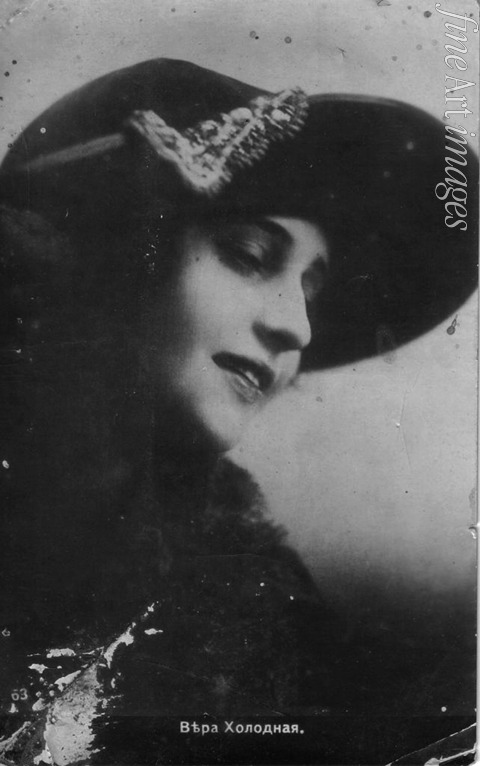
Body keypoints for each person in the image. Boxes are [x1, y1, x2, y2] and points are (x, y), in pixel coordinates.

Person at [0, 58, 477, 765]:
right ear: (123, 257)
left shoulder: (259, 603)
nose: (298, 330)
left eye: (310, 295)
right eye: (250, 256)